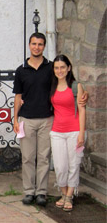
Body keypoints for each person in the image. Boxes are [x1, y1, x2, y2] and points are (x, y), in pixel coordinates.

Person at [13, 33, 87, 206]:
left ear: (44, 46)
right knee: (27, 158)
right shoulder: (21, 70)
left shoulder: (51, 68)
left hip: (48, 119)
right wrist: (15, 119)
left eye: (40, 44)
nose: (36, 47)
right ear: (29, 45)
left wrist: (85, 95)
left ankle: (41, 193)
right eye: (34, 44)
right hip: (26, 119)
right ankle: (29, 191)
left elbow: (67, 83)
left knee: (44, 158)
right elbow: (18, 96)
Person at [50, 54, 86, 212]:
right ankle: (63, 193)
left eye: (63, 67)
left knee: (74, 164)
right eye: (57, 68)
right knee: (60, 166)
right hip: (57, 131)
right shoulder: (51, 87)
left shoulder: (76, 86)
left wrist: (81, 133)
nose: (60, 70)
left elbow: (82, 110)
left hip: (74, 131)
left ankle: (69, 196)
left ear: (69, 68)